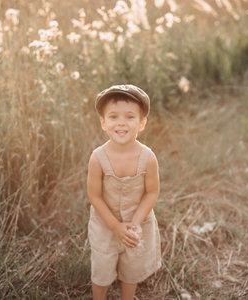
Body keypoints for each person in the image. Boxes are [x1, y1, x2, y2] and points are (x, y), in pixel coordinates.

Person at [87, 84, 162, 300]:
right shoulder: (97, 158)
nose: (121, 122)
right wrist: (115, 226)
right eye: (113, 117)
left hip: (137, 222)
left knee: (132, 267)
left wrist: (135, 223)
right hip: (105, 223)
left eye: (130, 117)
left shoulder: (148, 157)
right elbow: (95, 196)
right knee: (101, 268)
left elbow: (151, 193)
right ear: (103, 122)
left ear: (142, 123)